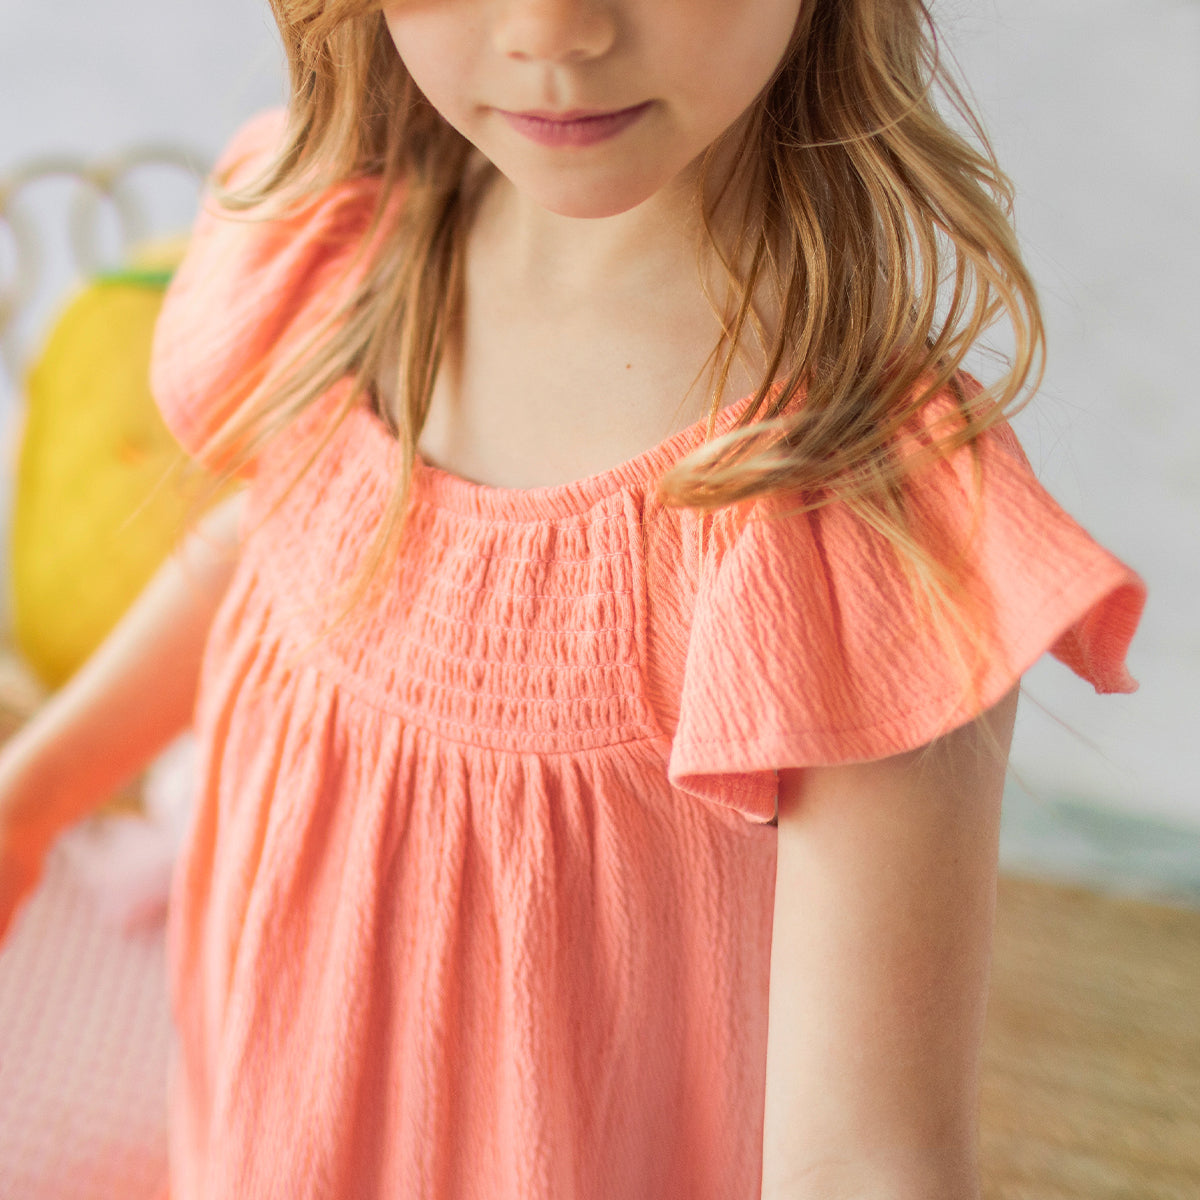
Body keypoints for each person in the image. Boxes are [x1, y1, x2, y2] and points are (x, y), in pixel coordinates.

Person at [0, 1, 1146, 1197]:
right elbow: (284, 559)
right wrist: (34, 796)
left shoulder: (844, 511)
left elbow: (864, 1161)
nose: (553, 32)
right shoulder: (358, 241)